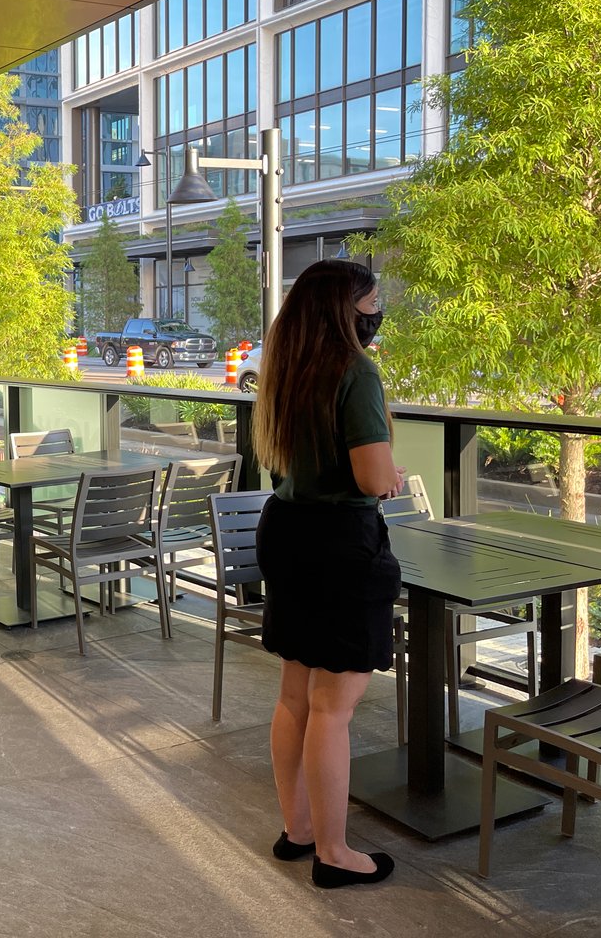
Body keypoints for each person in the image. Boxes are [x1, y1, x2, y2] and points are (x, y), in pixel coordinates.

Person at [251, 259, 404, 889]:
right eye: (371, 303)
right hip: (341, 544)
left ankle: (300, 831)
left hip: (287, 532)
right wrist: (390, 479)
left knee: (296, 695)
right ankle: (335, 854)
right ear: (347, 311)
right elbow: (371, 477)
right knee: (333, 708)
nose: (376, 313)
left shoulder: (286, 370)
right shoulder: (356, 372)